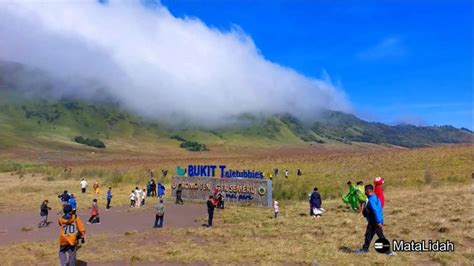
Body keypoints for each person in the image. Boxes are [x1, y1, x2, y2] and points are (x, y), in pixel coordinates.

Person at [356, 184, 393, 255]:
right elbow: (380, 210)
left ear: (368, 191)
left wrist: (378, 222)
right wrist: (380, 221)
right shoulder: (376, 198)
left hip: (374, 222)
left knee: (380, 236)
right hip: (376, 221)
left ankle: (388, 251)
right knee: (369, 235)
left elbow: (375, 210)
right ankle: (365, 249)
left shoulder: (371, 200)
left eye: (365, 191)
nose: (364, 193)